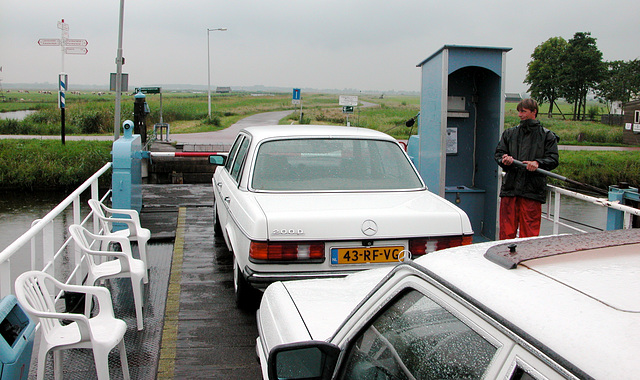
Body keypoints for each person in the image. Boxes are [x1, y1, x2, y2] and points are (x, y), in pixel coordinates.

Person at [495, 99, 559, 240]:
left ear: (534, 112)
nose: (519, 115)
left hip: (532, 192)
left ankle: (525, 260)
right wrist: (504, 160)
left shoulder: (548, 136)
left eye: (523, 111)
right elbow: (498, 154)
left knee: (529, 236)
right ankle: (505, 258)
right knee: (506, 232)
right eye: (519, 111)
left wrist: (537, 163)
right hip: (510, 190)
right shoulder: (509, 133)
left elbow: (553, 159)